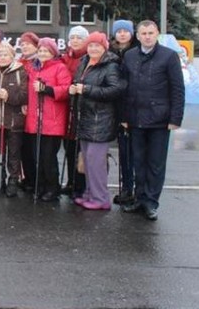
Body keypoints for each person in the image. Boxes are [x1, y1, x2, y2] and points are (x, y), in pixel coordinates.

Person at [120, 20, 185, 221]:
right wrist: (123, 116)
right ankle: (139, 198)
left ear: (157, 33)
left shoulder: (169, 56)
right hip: (135, 119)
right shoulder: (129, 56)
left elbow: (177, 89)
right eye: (143, 33)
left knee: (155, 164)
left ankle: (151, 202)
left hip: (160, 120)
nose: (147, 36)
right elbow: (124, 87)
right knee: (137, 162)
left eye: (151, 32)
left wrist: (175, 118)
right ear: (137, 36)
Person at [68, 32, 125, 211]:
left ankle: (101, 198)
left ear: (104, 47)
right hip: (85, 119)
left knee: (96, 162)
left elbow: (115, 90)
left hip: (100, 120)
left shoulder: (111, 66)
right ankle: (90, 193)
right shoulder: (85, 62)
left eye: (97, 46)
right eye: (91, 45)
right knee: (86, 161)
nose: (93, 48)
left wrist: (86, 89)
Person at [23, 38, 71, 202]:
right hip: (34, 119)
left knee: (48, 157)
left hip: (52, 120)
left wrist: (48, 89)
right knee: (37, 156)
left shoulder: (60, 68)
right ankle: (40, 185)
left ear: (53, 53)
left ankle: (52, 188)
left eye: (46, 51)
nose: (43, 54)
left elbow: (66, 90)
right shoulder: (33, 69)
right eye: (41, 51)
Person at [0, 43, 28, 197]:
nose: (2, 57)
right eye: (0, 55)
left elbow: (24, 95)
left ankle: (13, 181)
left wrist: (8, 96)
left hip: (14, 121)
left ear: (12, 56)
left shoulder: (20, 71)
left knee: (13, 153)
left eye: (5, 54)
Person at [109, 19, 139, 205]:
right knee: (123, 151)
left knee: (132, 152)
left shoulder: (136, 52)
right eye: (118, 31)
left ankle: (133, 188)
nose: (122, 34)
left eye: (125, 31)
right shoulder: (110, 53)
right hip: (114, 107)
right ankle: (126, 186)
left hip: (131, 107)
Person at [61, 25, 90, 197]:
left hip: (82, 107)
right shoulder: (65, 58)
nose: (76, 41)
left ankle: (81, 185)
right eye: (73, 38)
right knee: (69, 148)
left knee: (82, 150)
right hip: (67, 107)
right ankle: (71, 181)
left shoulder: (88, 58)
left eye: (79, 38)